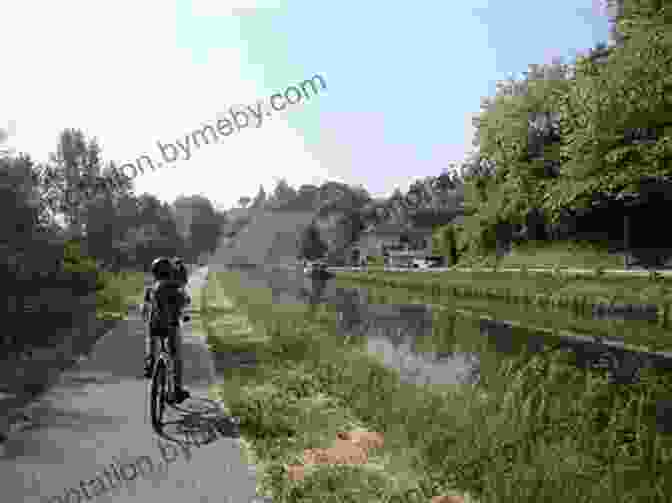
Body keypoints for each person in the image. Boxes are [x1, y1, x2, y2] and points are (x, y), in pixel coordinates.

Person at [142, 257, 191, 404]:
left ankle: (150, 361)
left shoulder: (151, 288)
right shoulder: (174, 287)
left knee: (150, 337)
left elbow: (144, 309)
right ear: (170, 272)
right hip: (171, 327)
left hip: (155, 326)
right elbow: (185, 302)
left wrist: (147, 315)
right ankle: (176, 389)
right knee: (176, 357)